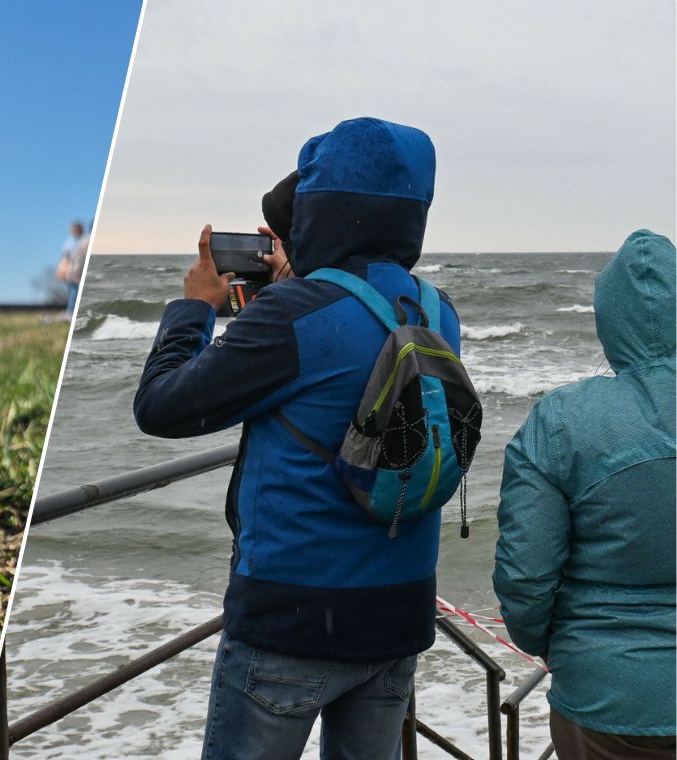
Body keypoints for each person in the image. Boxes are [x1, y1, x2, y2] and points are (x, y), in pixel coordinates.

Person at [133, 118, 458, 760]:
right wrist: (296, 283)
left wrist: (196, 307)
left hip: (293, 621)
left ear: (320, 209)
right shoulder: (435, 309)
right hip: (399, 615)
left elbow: (162, 405)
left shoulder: (292, 316)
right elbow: (341, 353)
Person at [493, 230, 675, 760]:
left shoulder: (563, 420)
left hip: (606, 696)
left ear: (608, 321)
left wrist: (558, 648)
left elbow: (525, 575)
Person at [57, 220, 88, 319]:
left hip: (77, 269)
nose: (72, 231)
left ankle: (71, 312)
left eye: (73, 229)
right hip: (71, 270)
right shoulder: (70, 241)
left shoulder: (84, 240)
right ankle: (71, 311)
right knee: (73, 290)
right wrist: (62, 270)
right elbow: (65, 257)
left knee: (75, 290)